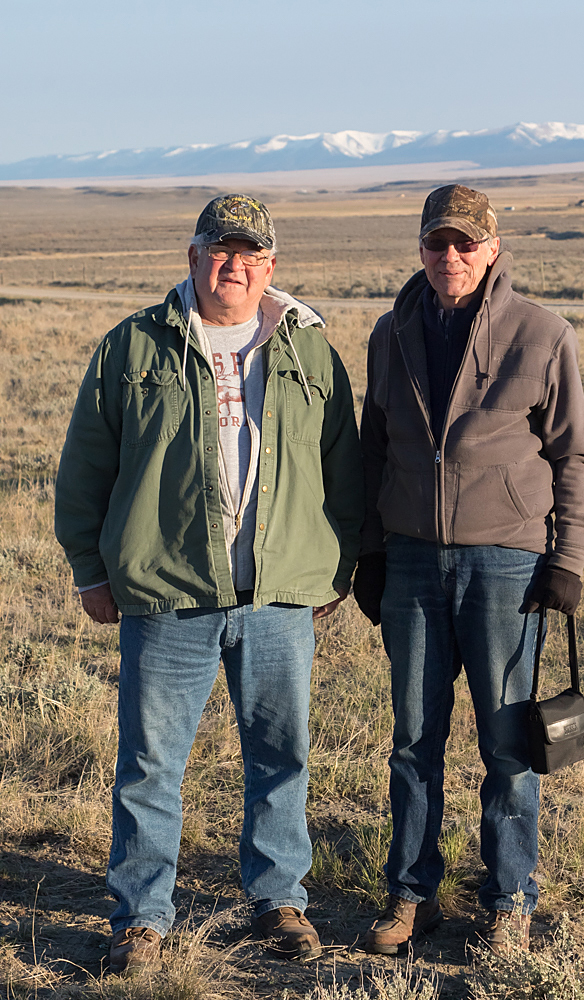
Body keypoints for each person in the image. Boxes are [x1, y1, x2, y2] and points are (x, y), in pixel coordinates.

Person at [55, 194, 364, 972]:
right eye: (219, 251)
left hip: (277, 596)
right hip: (167, 592)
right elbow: (86, 466)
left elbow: (344, 468)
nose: (234, 265)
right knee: (152, 761)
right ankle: (141, 917)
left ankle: (279, 901)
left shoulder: (308, 350)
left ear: (271, 267)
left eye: (249, 255)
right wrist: (90, 570)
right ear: (191, 258)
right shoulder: (133, 347)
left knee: (280, 754)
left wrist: (334, 566)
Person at [354, 184, 584, 955]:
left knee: (505, 744)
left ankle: (508, 901)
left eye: (465, 243)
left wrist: (567, 558)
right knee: (412, 740)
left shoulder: (540, 333)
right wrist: (369, 551)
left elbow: (574, 456)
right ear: (419, 248)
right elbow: (372, 451)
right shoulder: (389, 334)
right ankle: (411, 896)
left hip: (505, 566)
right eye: (436, 243)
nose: (449, 256)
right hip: (413, 562)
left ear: (493, 249)